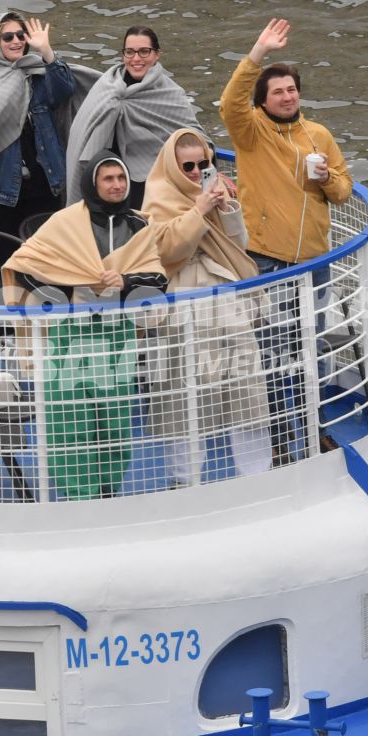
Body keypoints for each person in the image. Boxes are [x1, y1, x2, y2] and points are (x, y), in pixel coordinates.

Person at [220, 19, 353, 465]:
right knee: (277, 355)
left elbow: (344, 191)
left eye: (292, 89)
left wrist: (327, 177)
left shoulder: (319, 135)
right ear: (263, 100)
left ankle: (315, 431)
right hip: (270, 260)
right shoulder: (251, 132)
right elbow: (229, 104)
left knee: (310, 348)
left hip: (315, 262)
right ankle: (281, 441)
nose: (287, 97)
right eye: (277, 91)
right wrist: (257, 52)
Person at [2, 153, 167, 501]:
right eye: (107, 179)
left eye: (121, 178)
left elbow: (157, 278)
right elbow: (27, 266)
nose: (117, 185)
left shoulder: (139, 226)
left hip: (117, 333)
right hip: (70, 333)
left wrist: (125, 280)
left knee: (116, 418)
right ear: (93, 183)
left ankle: (108, 489)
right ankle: (78, 495)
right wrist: (72, 286)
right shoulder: (65, 222)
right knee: (69, 418)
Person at [139, 128, 271, 485]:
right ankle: (185, 480)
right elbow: (168, 251)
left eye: (204, 164)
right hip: (183, 300)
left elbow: (238, 245)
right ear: (172, 166)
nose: (198, 172)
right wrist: (198, 209)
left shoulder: (212, 193)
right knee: (184, 396)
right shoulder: (158, 197)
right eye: (189, 166)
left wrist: (226, 208)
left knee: (247, 387)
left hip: (224, 295)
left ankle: (256, 475)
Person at [0, 13, 87, 248]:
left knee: (46, 257)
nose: (16, 41)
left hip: (44, 183)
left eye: (21, 35)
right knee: (3, 261)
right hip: (2, 192)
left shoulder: (35, 72)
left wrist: (47, 52)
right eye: (8, 37)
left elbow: (65, 90)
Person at [63, 26, 198, 209]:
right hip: (107, 183)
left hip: (152, 187)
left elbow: (198, 139)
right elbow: (82, 130)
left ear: (157, 54)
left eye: (144, 52)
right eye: (130, 52)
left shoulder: (171, 93)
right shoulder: (106, 86)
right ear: (123, 55)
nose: (136, 59)